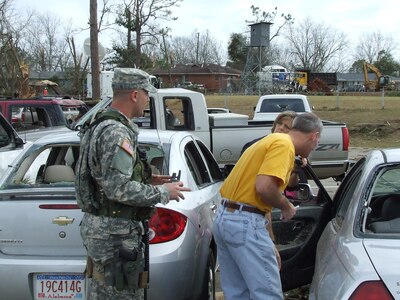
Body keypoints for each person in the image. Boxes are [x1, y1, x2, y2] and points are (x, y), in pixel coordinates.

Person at [75, 68, 191, 300]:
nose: (148, 100)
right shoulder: (116, 132)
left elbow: (105, 176)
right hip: (115, 237)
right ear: (135, 95)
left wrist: (146, 178)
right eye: (147, 94)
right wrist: (162, 192)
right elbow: (117, 187)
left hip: (108, 233)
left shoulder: (102, 124)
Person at [213, 112, 322, 300]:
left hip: (226, 217)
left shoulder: (272, 140)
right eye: (317, 143)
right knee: (267, 293)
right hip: (245, 221)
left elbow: (262, 193)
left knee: (238, 293)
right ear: (314, 136)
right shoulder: (284, 145)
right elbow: (264, 187)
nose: (314, 147)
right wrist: (286, 205)